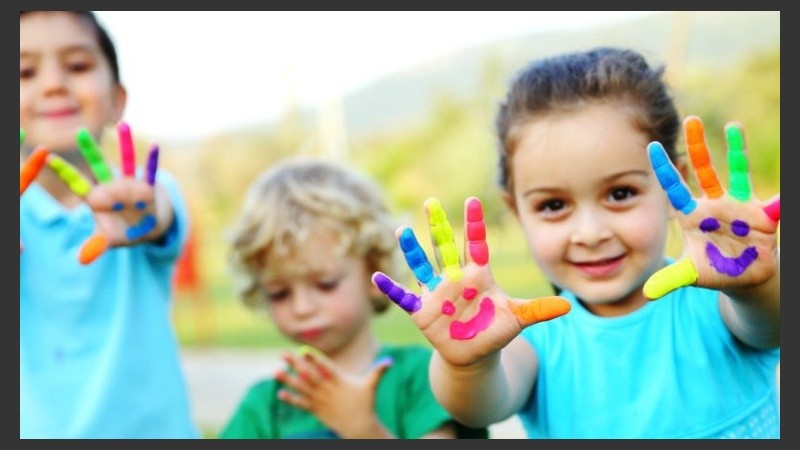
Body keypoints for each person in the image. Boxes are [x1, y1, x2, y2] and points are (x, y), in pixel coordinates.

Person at [371, 47, 780, 438]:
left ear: (676, 185)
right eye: (553, 205)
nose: (589, 232)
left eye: (620, 194)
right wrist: (467, 363)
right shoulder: (532, 342)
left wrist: (757, 285)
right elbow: (479, 406)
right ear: (516, 211)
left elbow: (772, 323)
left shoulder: (725, 305)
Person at [20, 11, 199, 438]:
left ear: (117, 99)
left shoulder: (148, 192)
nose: (53, 84)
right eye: (24, 71)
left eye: (78, 66)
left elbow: (157, 212)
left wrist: (145, 213)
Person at [220, 156, 489, 439]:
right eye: (279, 293)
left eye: (325, 284)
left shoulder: (423, 378)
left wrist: (365, 431)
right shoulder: (264, 407)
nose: (301, 308)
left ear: (374, 271)